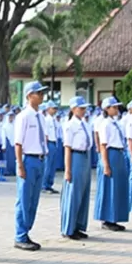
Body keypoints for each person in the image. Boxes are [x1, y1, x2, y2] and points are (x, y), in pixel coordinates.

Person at [13, 81, 48, 250]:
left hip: (40, 159)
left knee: (34, 199)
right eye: (38, 93)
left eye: (42, 93)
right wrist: (20, 165)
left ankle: (26, 232)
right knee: (24, 199)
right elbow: (18, 143)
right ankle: (20, 235)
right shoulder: (23, 116)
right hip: (28, 159)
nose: (41, 96)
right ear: (29, 96)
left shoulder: (41, 116)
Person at [95, 97, 129, 231]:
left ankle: (114, 217)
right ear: (107, 109)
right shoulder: (105, 124)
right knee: (110, 187)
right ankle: (107, 219)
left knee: (118, 187)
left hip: (119, 154)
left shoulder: (116, 123)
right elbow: (103, 146)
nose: (116, 109)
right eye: (113, 107)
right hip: (111, 154)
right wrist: (106, 165)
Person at [60, 96, 92, 239]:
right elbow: (67, 148)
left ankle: (79, 225)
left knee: (83, 193)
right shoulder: (70, 125)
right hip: (75, 157)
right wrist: (68, 169)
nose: (84, 111)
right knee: (73, 193)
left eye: (85, 108)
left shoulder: (85, 123)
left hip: (85, 156)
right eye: (81, 108)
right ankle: (69, 228)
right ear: (73, 109)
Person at [43, 101, 61, 194]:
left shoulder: (54, 120)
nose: (55, 110)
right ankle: (44, 185)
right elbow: (45, 134)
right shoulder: (46, 120)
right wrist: (45, 147)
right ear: (48, 109)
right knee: (48, 165)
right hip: (49, 143)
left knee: (53, 165)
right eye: (53, 108)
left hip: (54, 143)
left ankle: (49, 184)